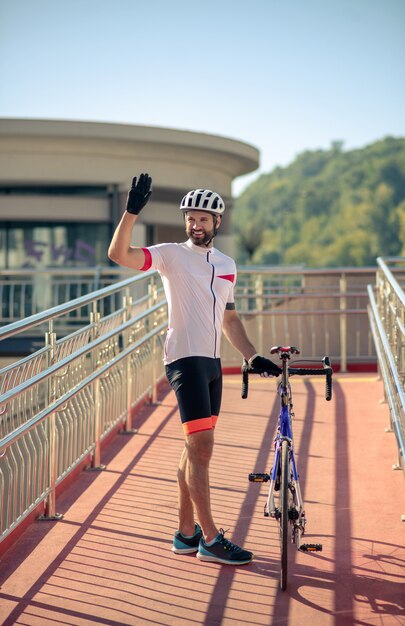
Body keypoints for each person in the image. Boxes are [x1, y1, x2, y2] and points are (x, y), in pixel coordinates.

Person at [108, 173, 280, 565]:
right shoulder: (171, 255)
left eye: (203, 219)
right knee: (201, 448)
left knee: (194, 449)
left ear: (217, 223)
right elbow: (119, 255)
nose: (195, 225)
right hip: (184, 358)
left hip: (213, 364)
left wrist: (252, 356)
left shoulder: (226, 264)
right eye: (190, 218)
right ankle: (211, 537)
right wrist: (131, 213)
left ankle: (185, 534)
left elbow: (230, 318)